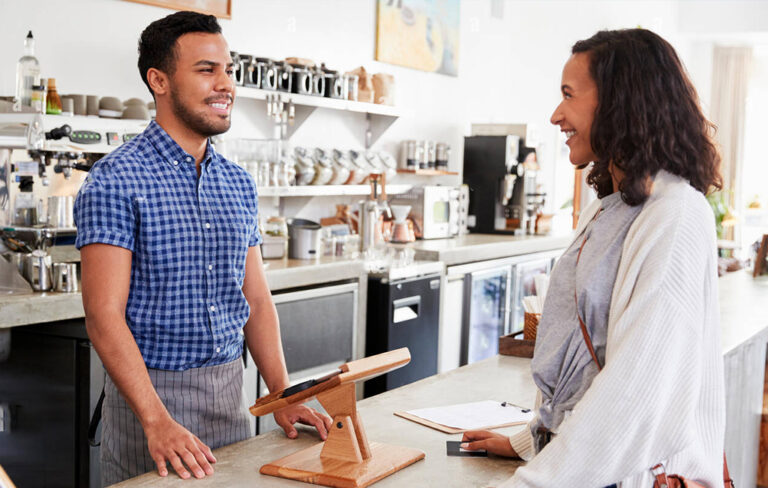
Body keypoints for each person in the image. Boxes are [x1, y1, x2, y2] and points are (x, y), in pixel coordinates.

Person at [74, 11, 331, 486]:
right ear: (160, 80)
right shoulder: (115, 180)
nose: (226, 84)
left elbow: (254, 299)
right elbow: (103, 316)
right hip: (148, 405)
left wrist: (282, 392)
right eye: (207, 70)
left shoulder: (236, 183)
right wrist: (156, 420)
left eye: (228, 70)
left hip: (231, 396)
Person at [461, 29, 726, 487]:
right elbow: (588, 364)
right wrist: (532, 441)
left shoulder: (676, 215)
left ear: (622, 103)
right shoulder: (613, 208)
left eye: (569, 95)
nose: (556, 115)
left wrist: (533, 481)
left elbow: (634, 388)